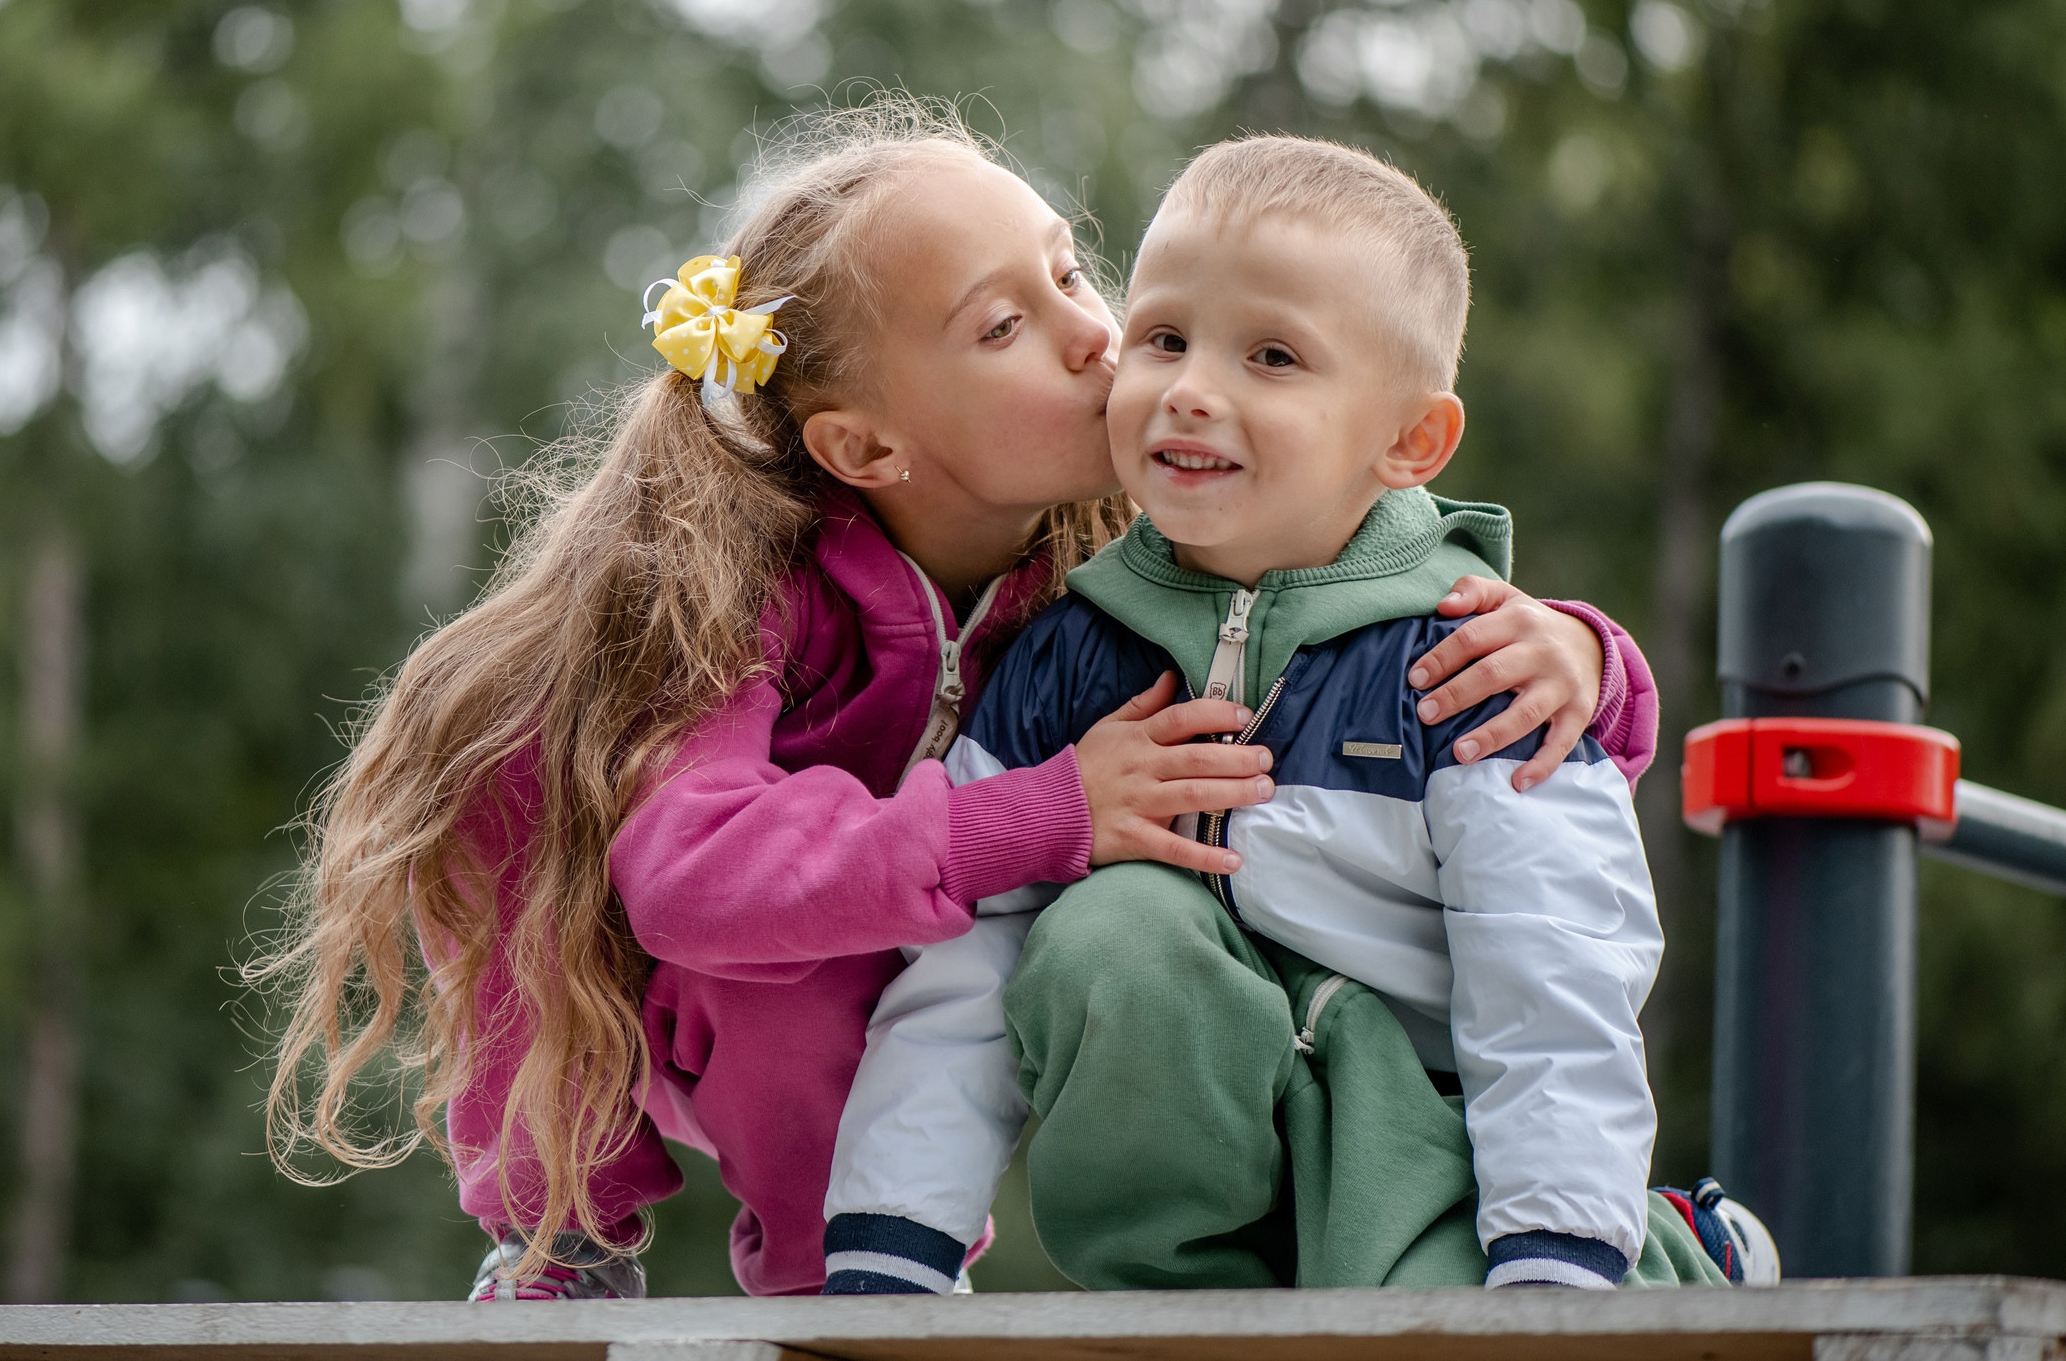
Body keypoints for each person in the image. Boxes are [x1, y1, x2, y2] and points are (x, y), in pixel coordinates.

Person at [256, 102, 1660, 1300]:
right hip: (618, 943)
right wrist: (1039, 813)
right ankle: (577, 1238)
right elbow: (690, 879)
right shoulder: (743, 598)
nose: (1098, 340)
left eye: (1070, 273)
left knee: (976, 955)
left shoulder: (1108, 559)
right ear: (866, 442)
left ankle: (902, 1275)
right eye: (1007, 321)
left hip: (884, 920)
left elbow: (1344, 581)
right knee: (784, 969)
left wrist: (1589, 660)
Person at [820, 134, 1779, 1297]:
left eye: (1271, 356)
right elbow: (965, 965)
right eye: (1164, 337)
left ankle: (1673, 1249)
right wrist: (892, 1244)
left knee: (1429, 1309)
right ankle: (1183, 1296)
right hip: (1201, 1147)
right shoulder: (1069, 657)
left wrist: (1555, 1261)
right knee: (1109, 932)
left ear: (1408, 441)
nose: (1190, 387)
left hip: (1430, 1146)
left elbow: (1552, 973)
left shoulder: (1475, 658)